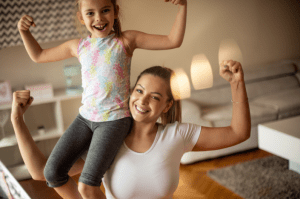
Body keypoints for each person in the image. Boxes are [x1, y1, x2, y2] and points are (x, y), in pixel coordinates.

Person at [17, 0, 187, 198]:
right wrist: (24, 32)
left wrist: (182, 6)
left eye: (105, 10)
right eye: (90, 13)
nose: (98, 18)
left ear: (115, 11)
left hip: (114, 122)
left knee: (88, 185)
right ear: (81, 17)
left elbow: (173, 40)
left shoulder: (126, 40)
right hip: (85, 119)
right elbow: (39, 55)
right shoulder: (78, 46)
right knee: (52, 173)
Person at [11, 59, 251, 199]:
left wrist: (237, 84)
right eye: (139, 90)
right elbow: (42, 172)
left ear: (167, 105)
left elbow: (238, 133)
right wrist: (17, 120)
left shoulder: (178, 135)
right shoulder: (106, 139)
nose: (142, 101)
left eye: (154, 97)